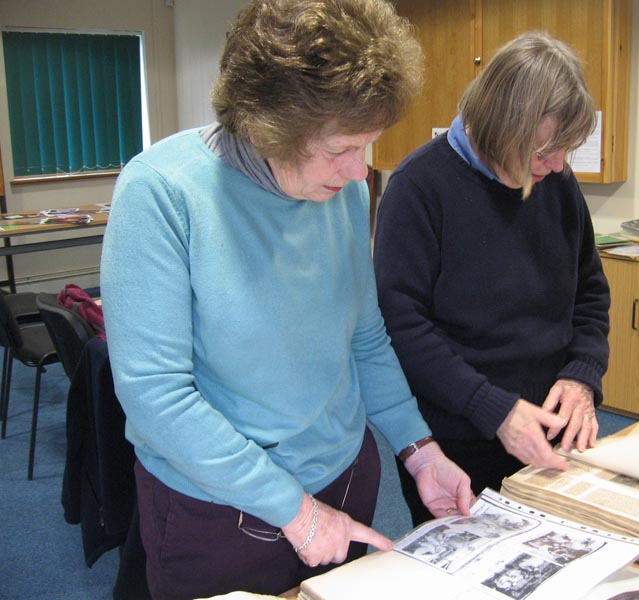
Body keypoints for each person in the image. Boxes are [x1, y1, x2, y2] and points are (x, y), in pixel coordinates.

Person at [100, 1, 474, 598]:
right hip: (224, 507)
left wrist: (420, 450)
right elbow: (156, 396)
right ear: (266, 124)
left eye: (369, 145)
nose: (360, 171)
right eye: (341, 149)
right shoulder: (162, 192)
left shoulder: (343, 192)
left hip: (345, 479)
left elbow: (364, 336)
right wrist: (293, 510)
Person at [373, 31, 610, 526]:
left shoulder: (558, 184)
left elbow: (589, 291)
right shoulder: (418, 188)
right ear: (501, 127)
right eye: (543, 151)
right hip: (457, 442)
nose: (558, 165)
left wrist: (582, 374)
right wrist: (493, 409)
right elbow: (401, 328)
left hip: (550, 426)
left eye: (564, 149)